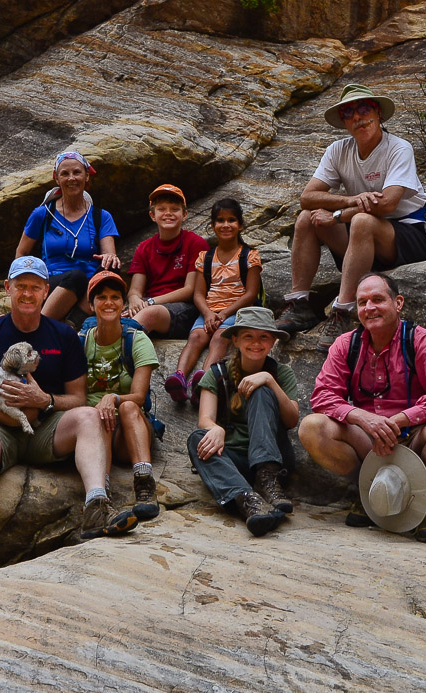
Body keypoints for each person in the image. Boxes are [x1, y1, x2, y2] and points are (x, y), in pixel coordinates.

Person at [0, 256, 136, 580]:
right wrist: (6, 417)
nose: (28, 294)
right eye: (21, 286)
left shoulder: (63, 335)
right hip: (0, 425)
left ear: (47, 291)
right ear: (8, 288)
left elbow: (77, 397)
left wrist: (44, 400)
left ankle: (96, 507)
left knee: (89, 415)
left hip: (47, 426)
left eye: (35, 287)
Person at [299, 272, 426, 543]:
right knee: (311, 427)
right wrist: (363, 418)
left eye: (378, 299)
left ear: (398, 303)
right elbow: (322, 396)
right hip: (367, 440)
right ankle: (369, 491)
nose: (369, 308)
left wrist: (400, 419)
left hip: (414, 437)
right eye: (362, 302)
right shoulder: (346, 344)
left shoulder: (420, 339)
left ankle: (424, 501)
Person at [276, 83, 426, 351]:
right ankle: (299, 303)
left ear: (378, 115)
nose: (357, 117)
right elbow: (307, 197)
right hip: (364, 239)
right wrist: (351, 199)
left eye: (364, 109)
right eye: (348, 112)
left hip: (408, 234)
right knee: (307, 217)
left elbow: (387, 203)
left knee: (361, 220)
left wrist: (339, 215)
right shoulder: (339, 150)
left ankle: (344, 310)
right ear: (343, 121)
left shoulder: (398, 148)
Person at [187, 307, 299, 537]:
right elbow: (204, 419)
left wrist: (269, 381)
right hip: (235, 461)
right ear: (235, 340)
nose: (256, 343)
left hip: (274, 460)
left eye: (263, 337)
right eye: (248, 336)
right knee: (196, 439)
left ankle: (266, 478)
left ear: (273, 342)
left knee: (260, 392)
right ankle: (248, 499)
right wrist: (215, 428)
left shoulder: (280, 373)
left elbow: (291, 420)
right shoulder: (217, 373)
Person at [166, 198, 261, 407]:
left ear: (241, 225)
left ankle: (204, 380)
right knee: (196, 336)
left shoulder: (249, 256)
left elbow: (251, 293)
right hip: (209, 310)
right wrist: (208, 314)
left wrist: (224, 313)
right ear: (212, 225)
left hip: (237, 310)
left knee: (219, 337)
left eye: (231, 220)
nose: (225, 225)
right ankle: (179, 377)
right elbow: (198, 294)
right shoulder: (205, 257)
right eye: (220, 220)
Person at [82, 270, 161, 520]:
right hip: (95, 430)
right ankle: (101, 493)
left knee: (126, 407)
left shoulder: (136, 340)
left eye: (115, 297)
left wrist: (114, 398)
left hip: (129, 430)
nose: (109, 303)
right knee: (98, 416)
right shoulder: (81, 342)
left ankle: (144, 482)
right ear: (91, 304)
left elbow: (138, 395)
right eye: (101, 297)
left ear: (123, 304)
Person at [16, 151, 120, 327]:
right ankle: (38, 326)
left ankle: (73, 322)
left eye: (77, 172)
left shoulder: (101, 216)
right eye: (65, 173)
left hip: (90, 287)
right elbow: (22, 252)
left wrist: (111, 257)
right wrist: (21, 284)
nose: (71, 178)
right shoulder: (43, 214)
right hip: (53, 283)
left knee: (112, 271)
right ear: (57, 179)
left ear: (86, 176)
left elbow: (110, 254)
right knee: (76, 277)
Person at [124, 184, 209, 340]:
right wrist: (135, 300)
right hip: (150, 304)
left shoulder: (196, 243)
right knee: (112, 314)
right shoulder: (144, 247)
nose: (168, 213)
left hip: (183, 309)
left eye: (175, 209)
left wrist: (150, 302)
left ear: (184, 215)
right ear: (152, 215)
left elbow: (189, 290)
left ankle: (121, 355)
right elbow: (135, 289)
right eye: (162, 209)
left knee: (150, 314)